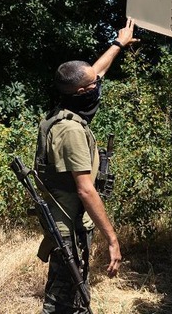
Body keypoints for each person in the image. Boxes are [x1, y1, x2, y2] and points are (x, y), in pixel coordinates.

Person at [33, 18, 137, 313]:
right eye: (93, 85)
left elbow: (96, 72)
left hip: (71, 222)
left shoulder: (66, 106)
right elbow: (86, 190)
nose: (98, 85)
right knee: (62, 302)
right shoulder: (71, 131)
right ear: (81, 92)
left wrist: (118, 43)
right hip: (70, 225)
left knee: (74, 297)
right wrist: (113, 239)